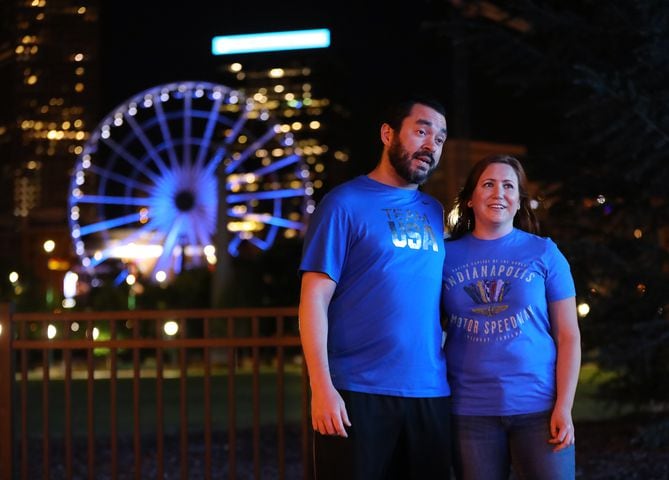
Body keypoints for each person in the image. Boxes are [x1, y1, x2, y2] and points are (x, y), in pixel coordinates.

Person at [298, 96, 452, 480]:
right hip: (356, 391)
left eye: (440, 138)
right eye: (421, 131)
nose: (431, 145)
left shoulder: (435, 211)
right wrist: (322, 387)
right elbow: (313, 299)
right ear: (387, 134)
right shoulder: (342, 204)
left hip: (429, 392)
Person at [441, 154, 581, 480]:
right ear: (470, 199)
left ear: (519, 201)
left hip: (539, 408)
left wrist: (564, 406)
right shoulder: (445, 257)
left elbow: (568, 336)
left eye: (508, 186)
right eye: (488, 184)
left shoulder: (544, 252)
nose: (498, 193)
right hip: (469, 412)